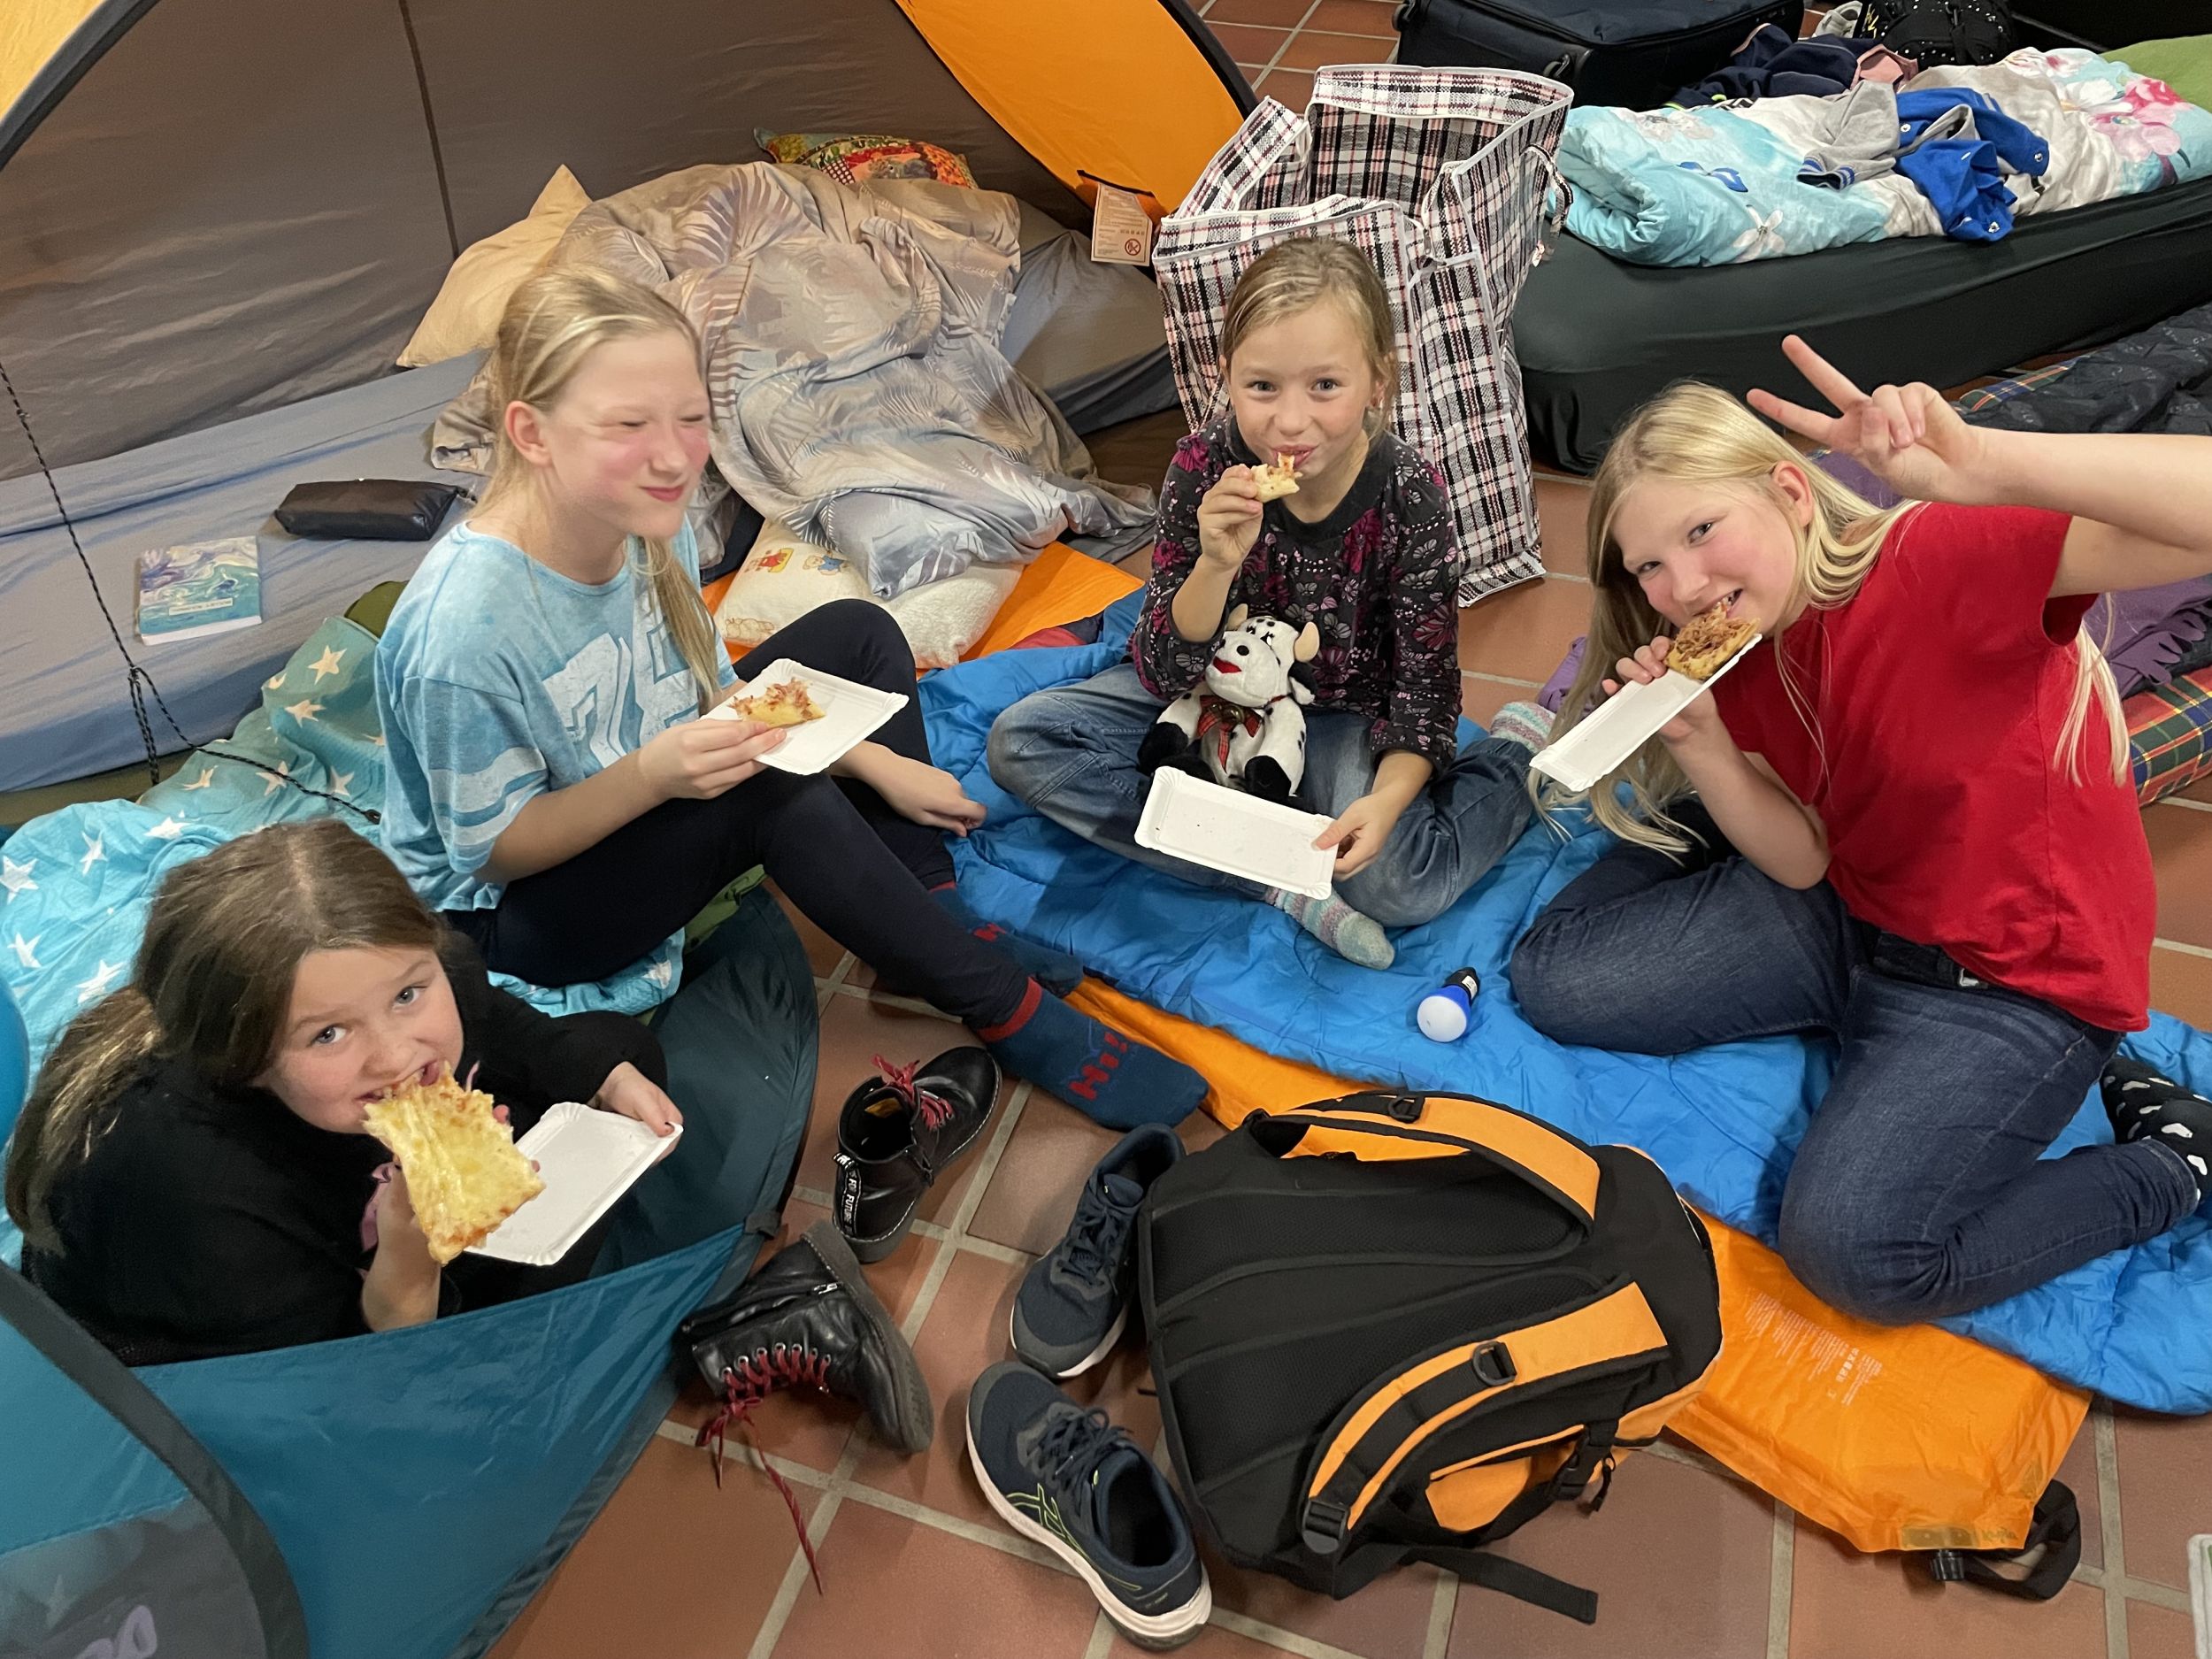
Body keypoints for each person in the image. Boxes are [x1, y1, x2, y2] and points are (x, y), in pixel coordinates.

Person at [373, 269, 1204, 1128]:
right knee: (772, 791)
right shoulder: (464, 629)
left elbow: (720, 695)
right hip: (518, 916)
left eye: (690, 418)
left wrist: (871, 759)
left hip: (636, 789)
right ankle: (1004, 1007)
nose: (675, 457)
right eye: (627, 425)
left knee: (858, 633)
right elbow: (494, 852)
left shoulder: (636, 522)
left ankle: (930, 917)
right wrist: (654, 776)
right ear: (531, 434)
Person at [1511, 335, 2212, 1324]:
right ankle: (1691, 834)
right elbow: (1804, 858)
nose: (1682, 585)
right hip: (1851, 910)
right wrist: (1704, 746)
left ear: (1793, 493)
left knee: (1858, 1257)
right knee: (1554, 979)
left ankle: (2175, 1162)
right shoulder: (1740, 653)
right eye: (1650, 567)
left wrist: (1986, 463)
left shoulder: (1935, 557)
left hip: (2010, 984)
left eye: (1703, 530)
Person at [987, 239, 1550, 972]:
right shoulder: (1203, 468)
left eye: (1325, 386)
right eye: (1261, 386)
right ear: (1226, 376)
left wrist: (1386, 801)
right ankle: (1277, 880)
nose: (1289, 423)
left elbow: (1424, 689)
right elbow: (1162, 668)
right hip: (1209, 690)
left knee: (1398, 884)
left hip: (1339, 713)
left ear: (1378, 382)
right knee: (1023, 741)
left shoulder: (1410, 495)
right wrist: (1215, 564)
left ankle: (1512, 755)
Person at [3, 822, 679, 1363]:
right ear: (245, 1060)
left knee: (623, 1059)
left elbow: (491, 1016)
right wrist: (410, 1264)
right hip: (226, 1346)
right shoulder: (192, 1184)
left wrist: (602, 1074)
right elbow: (346, 1392)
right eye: (327, 1034)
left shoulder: (394, 959)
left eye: (408, 995)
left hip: (334, 1230)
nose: (396, 1056)